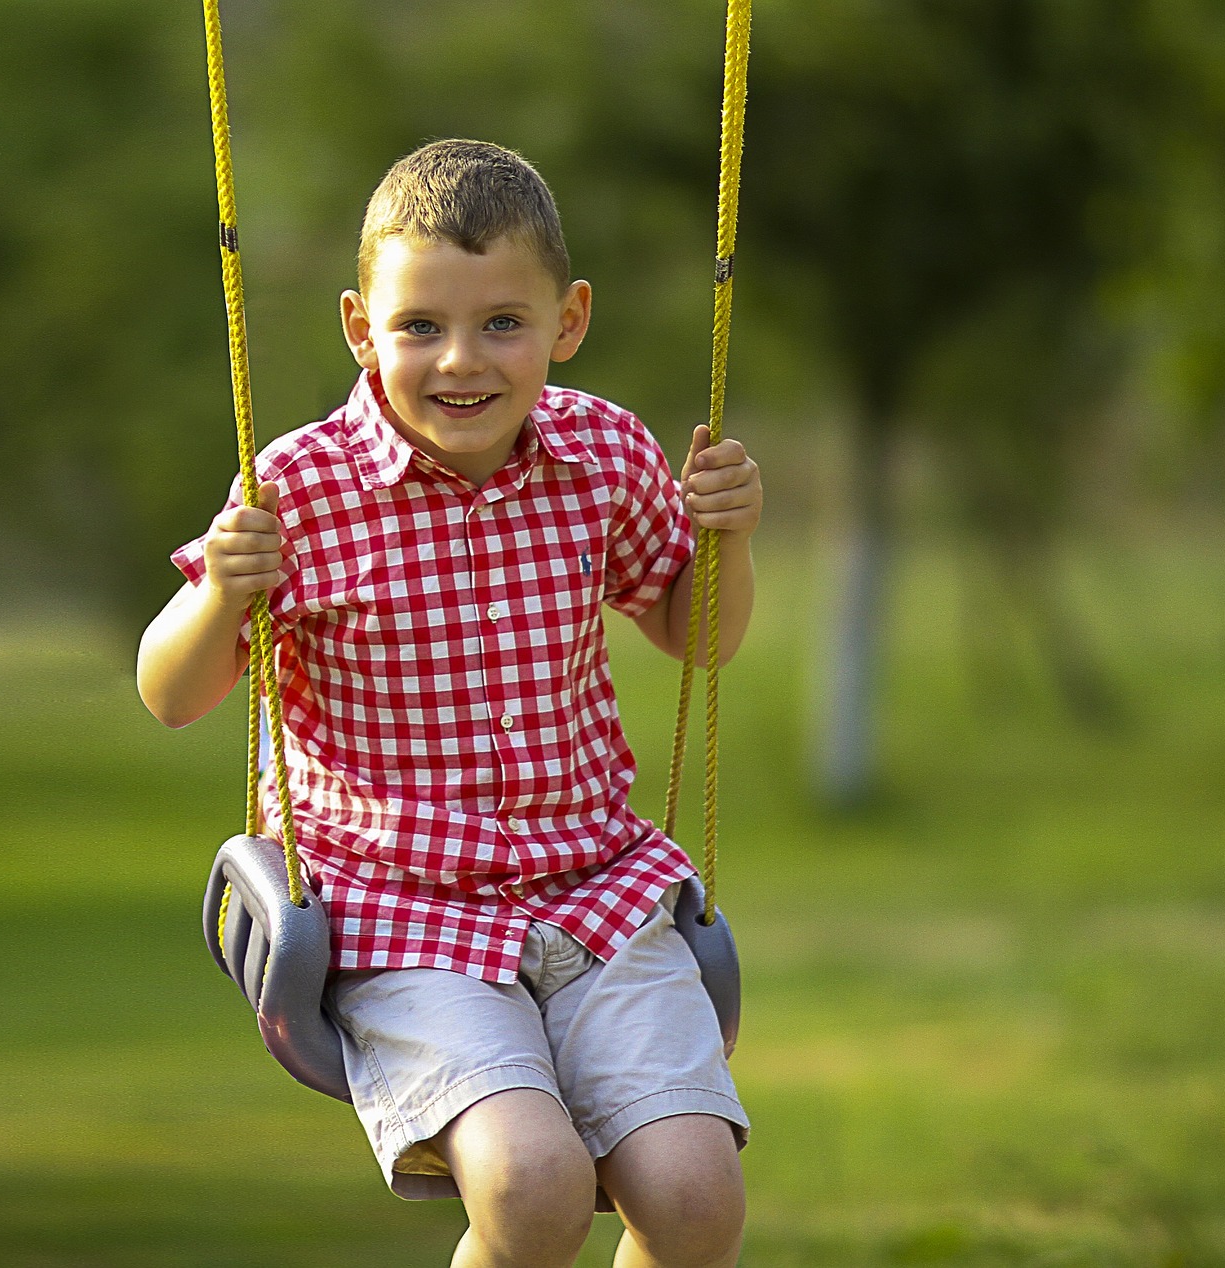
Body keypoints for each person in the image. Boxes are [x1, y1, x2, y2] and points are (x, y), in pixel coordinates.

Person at [138, 138, 764, 1268]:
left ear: (567, 322)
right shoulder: (302, 485)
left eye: (503, 324)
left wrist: (729, 540)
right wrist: (222, 593)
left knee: (694, 1198)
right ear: (358, 325)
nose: (460, 360)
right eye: (420, 325)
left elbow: (697, 635)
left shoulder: (604, 454)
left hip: (595, 891)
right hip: (400, 910)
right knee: (533, 1188)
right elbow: (173, 695)